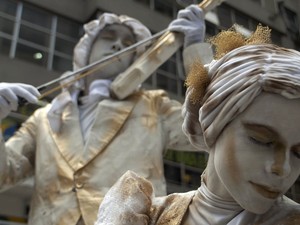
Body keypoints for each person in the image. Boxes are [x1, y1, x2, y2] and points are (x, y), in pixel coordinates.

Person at [0, 5, 206, 225]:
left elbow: (208, 126)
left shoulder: (153, 105)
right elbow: (5, 175)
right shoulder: (44, 118)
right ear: (85, 49)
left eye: (128, 43)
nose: (118, 44)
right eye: (108, 37)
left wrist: (196, 54)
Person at [94, 25, 300, 225]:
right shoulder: (145, 215)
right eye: (261, 140)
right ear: (212, 126)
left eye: (299, 153)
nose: (283, 168)